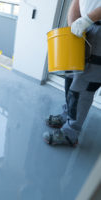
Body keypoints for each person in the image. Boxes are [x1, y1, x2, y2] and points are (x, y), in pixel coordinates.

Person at [43, 0, 101, 147]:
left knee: (83, 85)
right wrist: (73, 23)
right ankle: (68, 114)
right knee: (70, 76)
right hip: (86, 26)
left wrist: (87, 19)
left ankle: (70, 134)